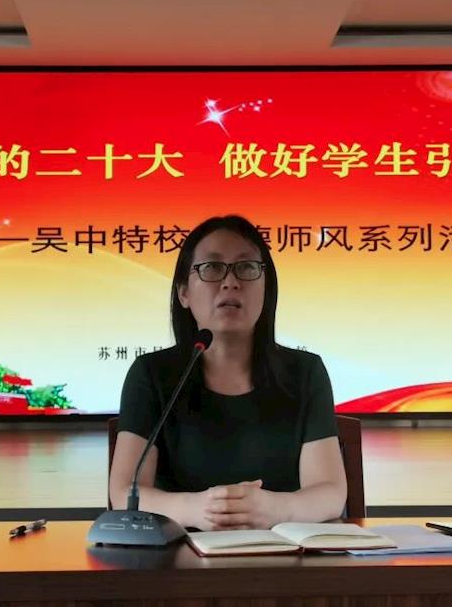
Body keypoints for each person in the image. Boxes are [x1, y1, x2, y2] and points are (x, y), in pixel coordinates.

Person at [109, 214, 347, 531]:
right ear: (183, 293)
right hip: (178, 555)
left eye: (246, 267)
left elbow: (330, 493)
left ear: (266, 288)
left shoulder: (305, 372)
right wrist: (199, 510)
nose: (230, 282)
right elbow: (124, 492)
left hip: (285, 554)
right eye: (212, 267)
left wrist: (275, 508)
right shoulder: (152, 374)